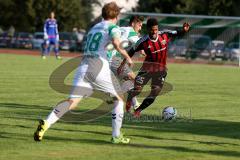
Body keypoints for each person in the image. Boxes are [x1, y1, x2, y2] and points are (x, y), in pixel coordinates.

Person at [34, 2, 133, 144]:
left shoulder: (94, 28)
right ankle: (116, 136)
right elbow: (116, 43)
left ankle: (47, 122)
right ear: (116, 15)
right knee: (118, 100)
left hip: (83, 67)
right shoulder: (113, 27)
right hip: (98, 68)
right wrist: (127, 57)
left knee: (72, 102)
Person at [119, 18, 190, 117]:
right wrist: (122, 64)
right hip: (146, 69)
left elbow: (177, 33)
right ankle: (130, 98)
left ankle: (138, 110)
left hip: (161, 70)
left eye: (156, 29)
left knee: (154, 93)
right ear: (148, 29)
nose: (154, 32)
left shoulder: (164, 34)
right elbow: (131, 51)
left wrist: (184, 30)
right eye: (152, 30)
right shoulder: (143, 41)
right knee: (137, 90)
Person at [107, 15, 145, 112]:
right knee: (136, 80)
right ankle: (113, 94)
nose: (140, 28)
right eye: (139, 25)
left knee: (127, 80)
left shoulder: (121, 28)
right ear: (133, 24)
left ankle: (135, 104)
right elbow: (141, 50)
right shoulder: (131, 31)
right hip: (113, 58)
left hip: (106, 57)